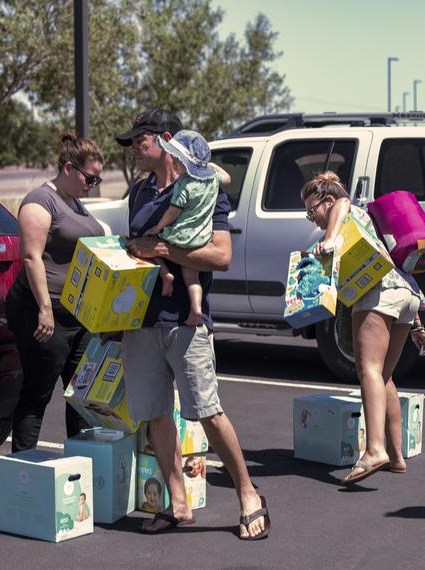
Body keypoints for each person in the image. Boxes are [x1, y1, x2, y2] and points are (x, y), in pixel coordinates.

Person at [115, 108, 271, 540]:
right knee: (154, 414)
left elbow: (220, 256)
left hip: (187, 321)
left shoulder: (205, 189)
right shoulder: (138, 193)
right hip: (141, 322)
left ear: (165, 141)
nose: (133, 150)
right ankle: (178, 502)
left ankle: (247, 494)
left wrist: (162, 249)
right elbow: (138, 251)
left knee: (207, 411)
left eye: (139, 142)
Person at [300, 171, 425, 485]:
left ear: (327, 201)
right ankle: (396, 456)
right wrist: (416, 325)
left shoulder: (343, 211)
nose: (311, 218)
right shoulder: (359, 221)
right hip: (405, 296)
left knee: (368, 370)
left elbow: (343, 201)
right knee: (383, 377)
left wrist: (330, 239)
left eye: (312, 210)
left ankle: (374, 450)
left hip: (376, 296)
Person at [5, 131, 105, 452]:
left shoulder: (74, 202)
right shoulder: (40, 201)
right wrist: (45, 309)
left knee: (81, 394)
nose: (93, 185)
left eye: (97, 179)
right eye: (90, 177)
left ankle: (83, 468)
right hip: (44, 311)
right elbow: (32, 256)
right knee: (38, 393)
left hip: (77, 313)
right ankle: (24, 472)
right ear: (67, 168)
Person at [142, 129, 231, 326]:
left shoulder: (184, 185)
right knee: (192, 278)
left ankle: (166, 274)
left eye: (176, 160)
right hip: (202, 237)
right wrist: (210, 166)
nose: (173, 162)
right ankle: (196, 307)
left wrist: (157, 227)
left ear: (184, 164)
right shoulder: (212, 180)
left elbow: (172, 212)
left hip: (181, 236)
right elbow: (227, 178)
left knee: (150, 246)